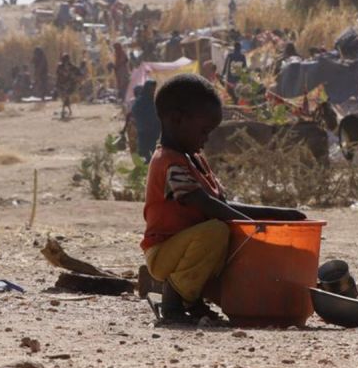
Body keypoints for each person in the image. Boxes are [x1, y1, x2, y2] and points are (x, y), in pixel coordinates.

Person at [142, 74, 306, 323]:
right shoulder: (169, 162)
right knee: (219, 230)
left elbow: (223, 205)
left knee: (223, 231)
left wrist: (281, 214)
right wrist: (253, 228)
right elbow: (205, 204)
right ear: (176, 120)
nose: (206, 139)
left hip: (187, 248)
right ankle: (173, 303)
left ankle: (193, 302)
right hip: (165, 252)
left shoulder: (195, 161)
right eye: (204, 131)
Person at [130, 81, 161, 162]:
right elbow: (134, 111)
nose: (153, 91)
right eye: (151, 89)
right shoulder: (140, 101)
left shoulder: (153, 100)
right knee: (144, 149)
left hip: (154, 129)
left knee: (153, 147)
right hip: (144, 128)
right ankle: (149, 161)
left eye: (154, 89)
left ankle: (153, 162)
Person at [56, 54, 81, 118]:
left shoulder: (72, 67)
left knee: (66, 96)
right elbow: (59, 75)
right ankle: (68, 110)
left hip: (70, 85)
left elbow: (79, 75)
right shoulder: (60, 67)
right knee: (65, 98)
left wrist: (75, 78)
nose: (66, 63)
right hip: (61, 85)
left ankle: (64, 111)